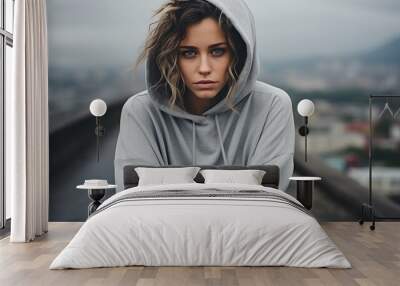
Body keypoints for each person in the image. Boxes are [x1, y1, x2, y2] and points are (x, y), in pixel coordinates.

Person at [114, 0, 295, 192]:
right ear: (172, 56)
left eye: (218, 51)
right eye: (189, 53)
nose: (204, 69)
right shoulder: (141, 111)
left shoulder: (272, 106)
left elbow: (268, 201)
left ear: (238, 53)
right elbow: (134, 202)